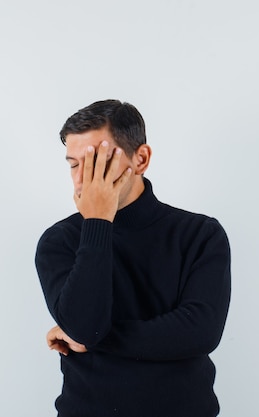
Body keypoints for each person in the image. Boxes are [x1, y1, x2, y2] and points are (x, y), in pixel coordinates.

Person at [35, 99, 232, 416]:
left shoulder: (200, 234)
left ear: (140, 159)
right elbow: (87, 327)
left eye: (98, 160)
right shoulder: (59, 242)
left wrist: (96, 340)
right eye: (74, 164)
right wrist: (97, 223)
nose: (84, 178)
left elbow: (200, 332)